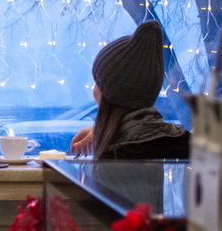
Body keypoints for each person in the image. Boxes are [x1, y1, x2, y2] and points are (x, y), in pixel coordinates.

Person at [69, 20, 190, 159]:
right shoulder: (188, 144)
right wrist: (109, 130)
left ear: (112, 93)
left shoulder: (117, 155)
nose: (94, 89)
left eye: (97, 81)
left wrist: (110, 133)